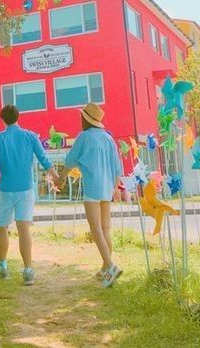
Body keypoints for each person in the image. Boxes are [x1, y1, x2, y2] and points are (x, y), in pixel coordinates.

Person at [0, 105, 59, 285]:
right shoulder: (31, 136)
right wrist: (55, 174)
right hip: (25, 189)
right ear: (18, 117)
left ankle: (3, 267)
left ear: (2, 119)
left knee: (2, 227)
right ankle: (27, 271)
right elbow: (43, 158)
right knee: (23, 228)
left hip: (5, 189)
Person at [65, 103, 123, 288]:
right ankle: (106, 268)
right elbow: (117, 166)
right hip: (107, 187)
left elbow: (71, 159)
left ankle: (111, 267)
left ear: (85, 120)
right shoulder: (108, 138)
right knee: (105, 229)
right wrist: (115, 186)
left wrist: (60, 179)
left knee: (96, 229)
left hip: (92, 187)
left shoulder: (84, 137)